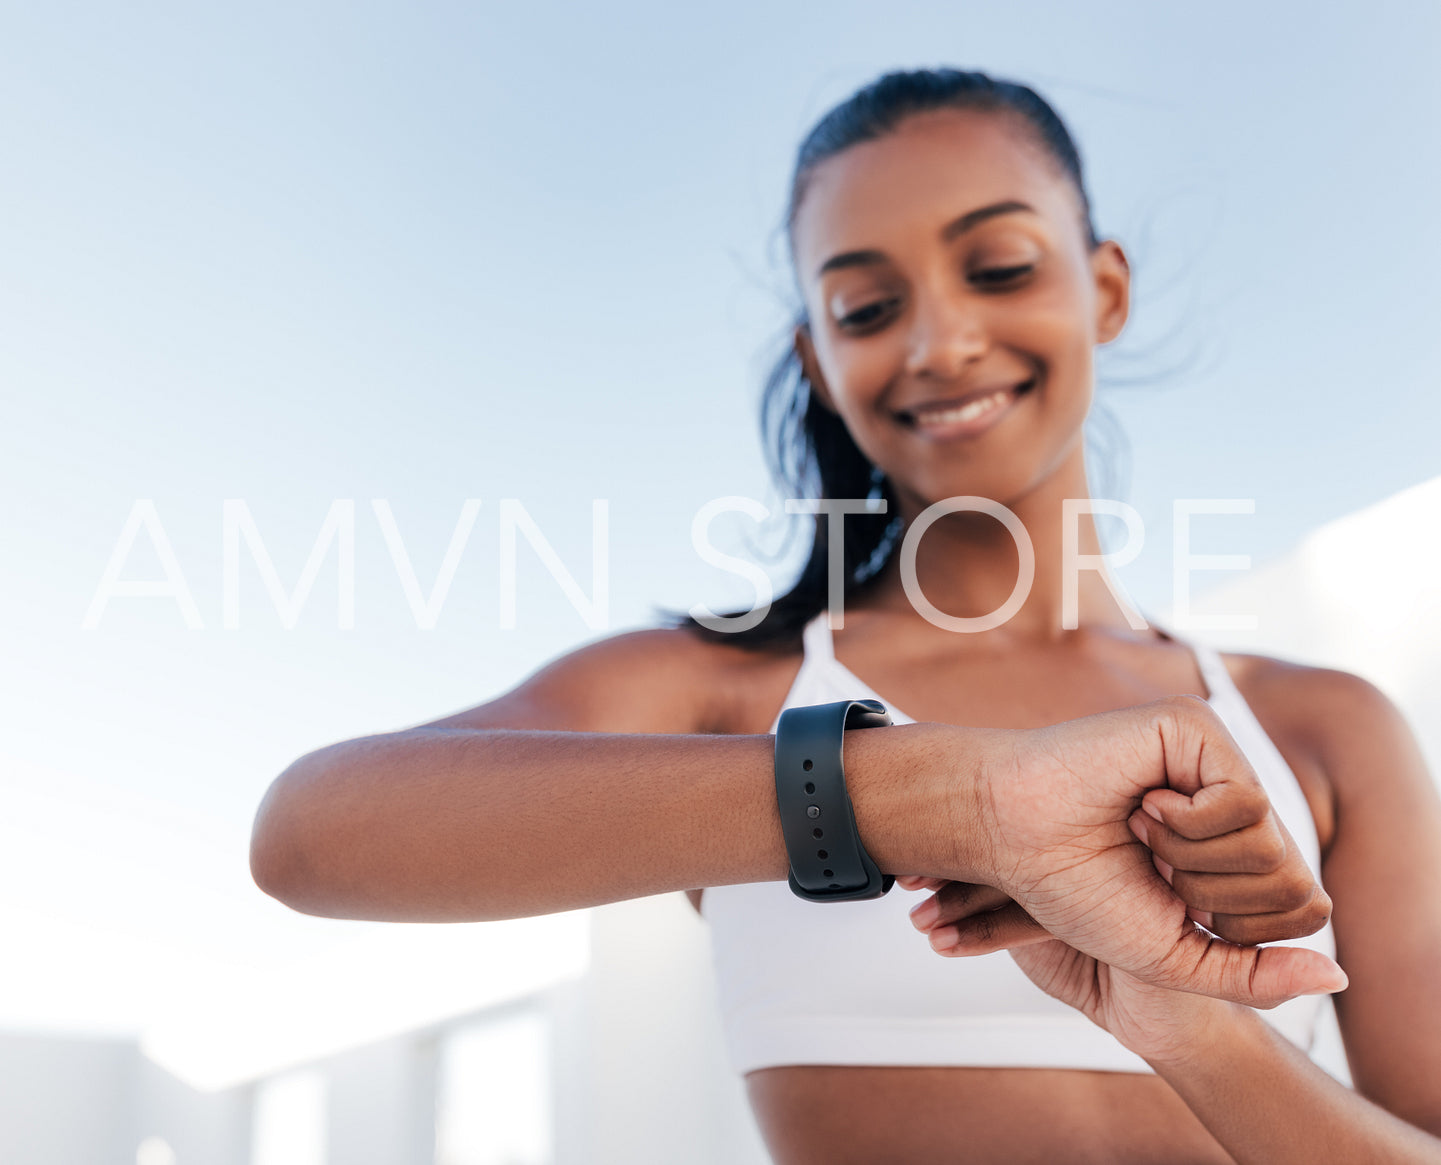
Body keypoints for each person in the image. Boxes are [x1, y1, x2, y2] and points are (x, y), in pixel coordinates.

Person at [249, 67, 1441, 1164]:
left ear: (1105, 290)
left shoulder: (1319, 727)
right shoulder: (726, 691)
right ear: (817, 359)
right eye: (866, 306)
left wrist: (1196, 1033)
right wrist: (949, 799)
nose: (938, 342)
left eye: (999, 267)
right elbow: (311, 831)